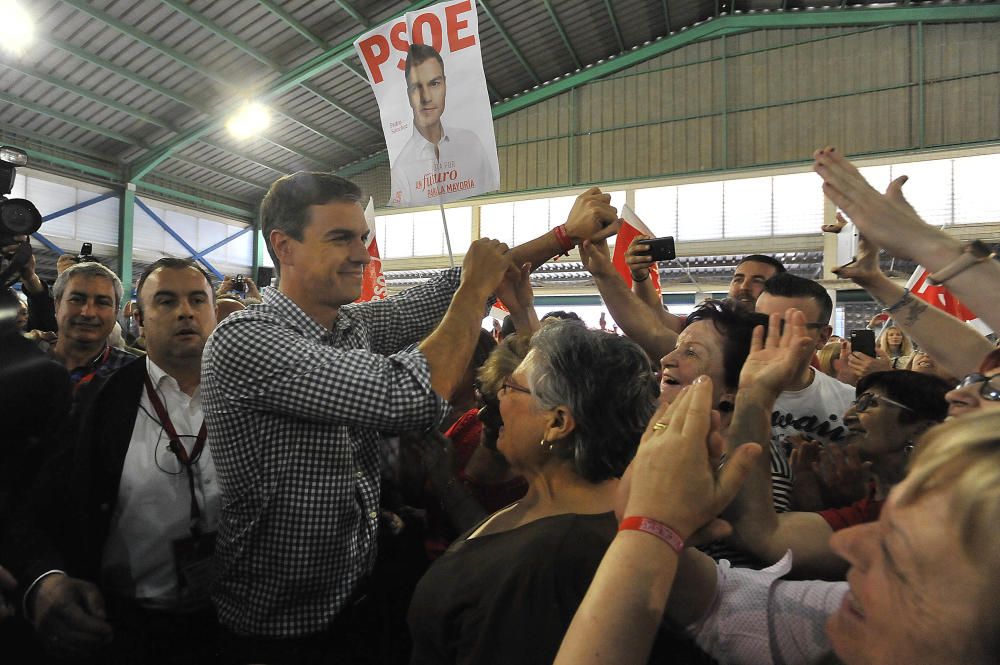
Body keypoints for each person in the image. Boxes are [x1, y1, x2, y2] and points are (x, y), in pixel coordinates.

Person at [201, 172, 618, 660]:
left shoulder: (348, 325)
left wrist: (563, 236)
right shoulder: (246, 339)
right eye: (340, 238)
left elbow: (442, 292)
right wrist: (473, 289)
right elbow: (409, 394)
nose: (360, 253)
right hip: (278, 626)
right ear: (284, 246)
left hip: (358, 595)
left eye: (363, 237)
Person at [558, 394, 1000, 665]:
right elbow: (721, 605)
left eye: (898, 552)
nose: (848, 544)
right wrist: (646, 520)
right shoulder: (839, 611)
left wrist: (646, 530)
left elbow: (764, 537)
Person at [409, 322, 704, 665]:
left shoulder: (549, 566)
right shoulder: (570, 514)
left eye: (509, 387)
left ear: (557, 422)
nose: (496, 399)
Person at [4, 258, 221, 663]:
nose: (185, 311)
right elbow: (37, 506)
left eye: (197, 300)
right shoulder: (97, 399)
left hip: (229, 621)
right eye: (167, 300)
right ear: (138, 317)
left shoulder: (250, 397)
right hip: (119, 620)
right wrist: (44, 579)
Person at [580, 236, 784, 360]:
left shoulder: (791, 350)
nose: (744, 287)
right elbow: (654, 324)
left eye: (758, 280)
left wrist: (604, 274)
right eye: (738, 279)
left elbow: (653, 331)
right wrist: (639, 275)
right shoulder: (707, 330)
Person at [389, 44, 499, 207]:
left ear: (445, 85)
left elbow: (491, 200)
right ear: (408, 95)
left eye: (434, 84)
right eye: (417, 87)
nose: (426, 97)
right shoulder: (401, 169)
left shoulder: (472, 144)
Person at [755, 272, 855, 450]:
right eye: (759, 322)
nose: (769, 335)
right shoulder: (722, 395)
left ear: (823, 336)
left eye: (787, 327)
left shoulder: (850, 403)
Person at [47, 262, 139, 399]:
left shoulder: (135, 374)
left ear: (115, 313)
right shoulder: (22, 363)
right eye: (76, 300)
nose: (88, 313)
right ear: (57, 305)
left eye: (102, 302)